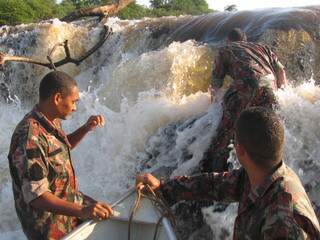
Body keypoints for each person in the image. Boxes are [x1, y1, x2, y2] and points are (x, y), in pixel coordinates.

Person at [136, 107, 320, 239]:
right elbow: (215, 185)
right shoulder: (261, 174)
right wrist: (163, 187)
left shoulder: (284, 220)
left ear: (240, 151)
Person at [8, 71, 114, 240]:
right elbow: (37, 197)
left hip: (68, 211)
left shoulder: (50, 120)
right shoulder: (29, 137)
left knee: (110, 215)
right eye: (73, 102)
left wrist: (85, 128)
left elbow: (60, 149)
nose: (74, 107)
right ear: (57, 98)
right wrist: (83, 211)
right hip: (49, 228)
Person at [202, 28, 288, 172]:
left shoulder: (226, 49)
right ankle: (268, 171)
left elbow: (216, 82)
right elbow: (281, 71)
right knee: (266, 130)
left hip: (247, 86)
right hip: (271, 87)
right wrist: (283, 93)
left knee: (227, 133)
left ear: (229, 40)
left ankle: (217, 170)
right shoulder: (263, 47)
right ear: (246, 40)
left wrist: (214, 106)